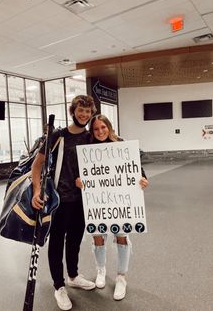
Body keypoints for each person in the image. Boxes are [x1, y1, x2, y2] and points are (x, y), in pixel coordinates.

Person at [31, 95, 97, 311]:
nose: (84, 115)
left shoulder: (90, 138)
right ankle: (59, 286)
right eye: (80, 110)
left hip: (82, 200)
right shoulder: (58, 136)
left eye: (88, 111)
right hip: (59, 200)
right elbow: (36, 166)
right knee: (57, 242)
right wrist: (37, 191)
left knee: (76, 240)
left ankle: (73, 275)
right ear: (73, 111)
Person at [75, 114, 149, 301]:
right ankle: (101, 270)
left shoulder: (122, 145)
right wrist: (79, 181)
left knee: (122, 236)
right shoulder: (87, 150)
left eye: (103, 127)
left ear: (109, 127)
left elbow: (137, 170)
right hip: (97, 202)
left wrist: (142, 179)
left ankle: (121, 276)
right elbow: (79, 173)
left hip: (121, 201)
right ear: (92, 131)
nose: (100, 131)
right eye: (96, 129)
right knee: (98, 236)